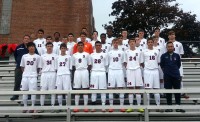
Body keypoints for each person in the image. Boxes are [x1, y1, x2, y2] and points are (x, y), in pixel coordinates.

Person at [10, 35, 38, 100]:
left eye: (28, 39)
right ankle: (16, 95)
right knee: (17, 81)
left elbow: (36, 56)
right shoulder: (19, 47)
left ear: (30, 40)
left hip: (30, 69)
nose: (26, 40)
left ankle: (29, 95)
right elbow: (15, 55)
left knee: (29, 82)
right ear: (23, 39)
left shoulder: (32, 48)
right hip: (19, 68)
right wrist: (19, 62)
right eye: (25, 38)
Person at [160, 42, 185, 113]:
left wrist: (174, 70)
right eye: (169, 46)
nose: (170, 48)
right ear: (166, 47)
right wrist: (167, 71)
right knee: (168, 93)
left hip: (176, 76)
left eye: (171, 46)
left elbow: (178, 65)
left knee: (177, 92)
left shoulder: (177, 56)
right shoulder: (163, 56)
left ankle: (178, 107)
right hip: (167, 77)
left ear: (173, 47)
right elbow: (162, 65)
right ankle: (169, 107)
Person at [166, 31, 188, 98]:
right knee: (169, 78)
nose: (171, 36)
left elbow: (181, 54)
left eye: (173, 34)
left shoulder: (179, 44)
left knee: (180, 77)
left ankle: (181, 92)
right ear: (168, 36)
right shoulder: (165, 44)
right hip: (169, 64)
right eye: (170, 35)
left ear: (175, 35)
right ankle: (168, 93)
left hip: (178, 63)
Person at [124, 38, 144, 113]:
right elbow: (125, 62)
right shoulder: (126, 52)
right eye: (130, 42)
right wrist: (128, 67)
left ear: (135, 43)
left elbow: (141, 62)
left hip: (137, 70)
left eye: (133, 41)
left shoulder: (139, 51)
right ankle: (131, 106)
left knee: (138, 88)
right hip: (129, 70)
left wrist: (136, 67)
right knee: (130, 88)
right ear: (128, 43)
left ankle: (139, 106)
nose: (132, 43)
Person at [20, 42, 41, 113]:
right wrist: (25, 73)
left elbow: (38, 67)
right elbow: (22, 66)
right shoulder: (24, 56)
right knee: (24, 91)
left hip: (33, 76)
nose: (32, 48)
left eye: (33, 46)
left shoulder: (37, 56)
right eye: (30, 46)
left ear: (35, 48)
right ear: (28, 48)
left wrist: (35, 74)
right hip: (25, 76)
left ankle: (32, 106)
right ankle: (25, 106)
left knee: (33, 92)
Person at [72, 41, 91, 112]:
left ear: (83, 46)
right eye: (79, 45)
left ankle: (85, 106)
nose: (80, 46)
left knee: (85, 88)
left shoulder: (87, 54)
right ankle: (76, 106)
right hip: (77, 72)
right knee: (77, 89)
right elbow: (73, 66)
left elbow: (89, 65)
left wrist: (86, 71)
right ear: (77, 47)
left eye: (81, 45)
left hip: (84, 71)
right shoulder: (74, 55)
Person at [142, 37, 161, 111]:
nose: (150, 43)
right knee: (147, 89)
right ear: (147, 43)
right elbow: (142, 62)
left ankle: (158, 106)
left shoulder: (157, 51)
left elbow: (158, 62)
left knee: (156, 89)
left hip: (155, 71)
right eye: (149, 42)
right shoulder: (144, 51)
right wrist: (147, 67)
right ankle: (148, 107)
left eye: (151, 42)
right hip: (147, 71)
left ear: (153, 43)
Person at [107, 38, 125, 112]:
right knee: (111, 88)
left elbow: (123, 63)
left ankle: (122, 106)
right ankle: (111, 106)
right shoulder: (109, 53)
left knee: (120, 88)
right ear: (112, 43)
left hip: (119, 70)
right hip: (111, 70)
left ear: (118, 43)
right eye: (114, 42)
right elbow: (107, 63)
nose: (115, 43)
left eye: (116, 42)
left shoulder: (122, 52)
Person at [90, 41, 108, 112]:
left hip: (102, 72)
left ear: (101, 46)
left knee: (103, 90)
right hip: (94, 72)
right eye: (96, 45)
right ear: (95, 46)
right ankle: (93, 106)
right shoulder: (92, 55)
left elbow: (106, 65)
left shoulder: (105, 54)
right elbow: (90, 65)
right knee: (93, 89)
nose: (98, 46)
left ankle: (103, 106)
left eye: (99, 45)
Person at [39, 42, 58, 112]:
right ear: (46, 47)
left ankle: (52, 107)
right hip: (44, 73)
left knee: (52, 91)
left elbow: (57, 67)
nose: (49, 47)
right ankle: (41, 107)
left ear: (52, 47)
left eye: (50, 46)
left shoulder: (56, 56)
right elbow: (40, 67)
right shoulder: (42, 56)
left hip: (53, 73)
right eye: (48, 46)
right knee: (42, 90)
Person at [56, 43, 72, 109]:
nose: (63, 49)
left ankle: (67, 106)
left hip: (66, 74)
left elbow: (70, 68)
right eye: (62, 48)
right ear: (60, 49)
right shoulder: (57, 57)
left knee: (67, 90)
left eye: (64, 48)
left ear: (66, 49)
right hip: (59, 74)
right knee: (59, 90)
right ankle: (60, 106)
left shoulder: (69, 57)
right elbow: (56, 68)